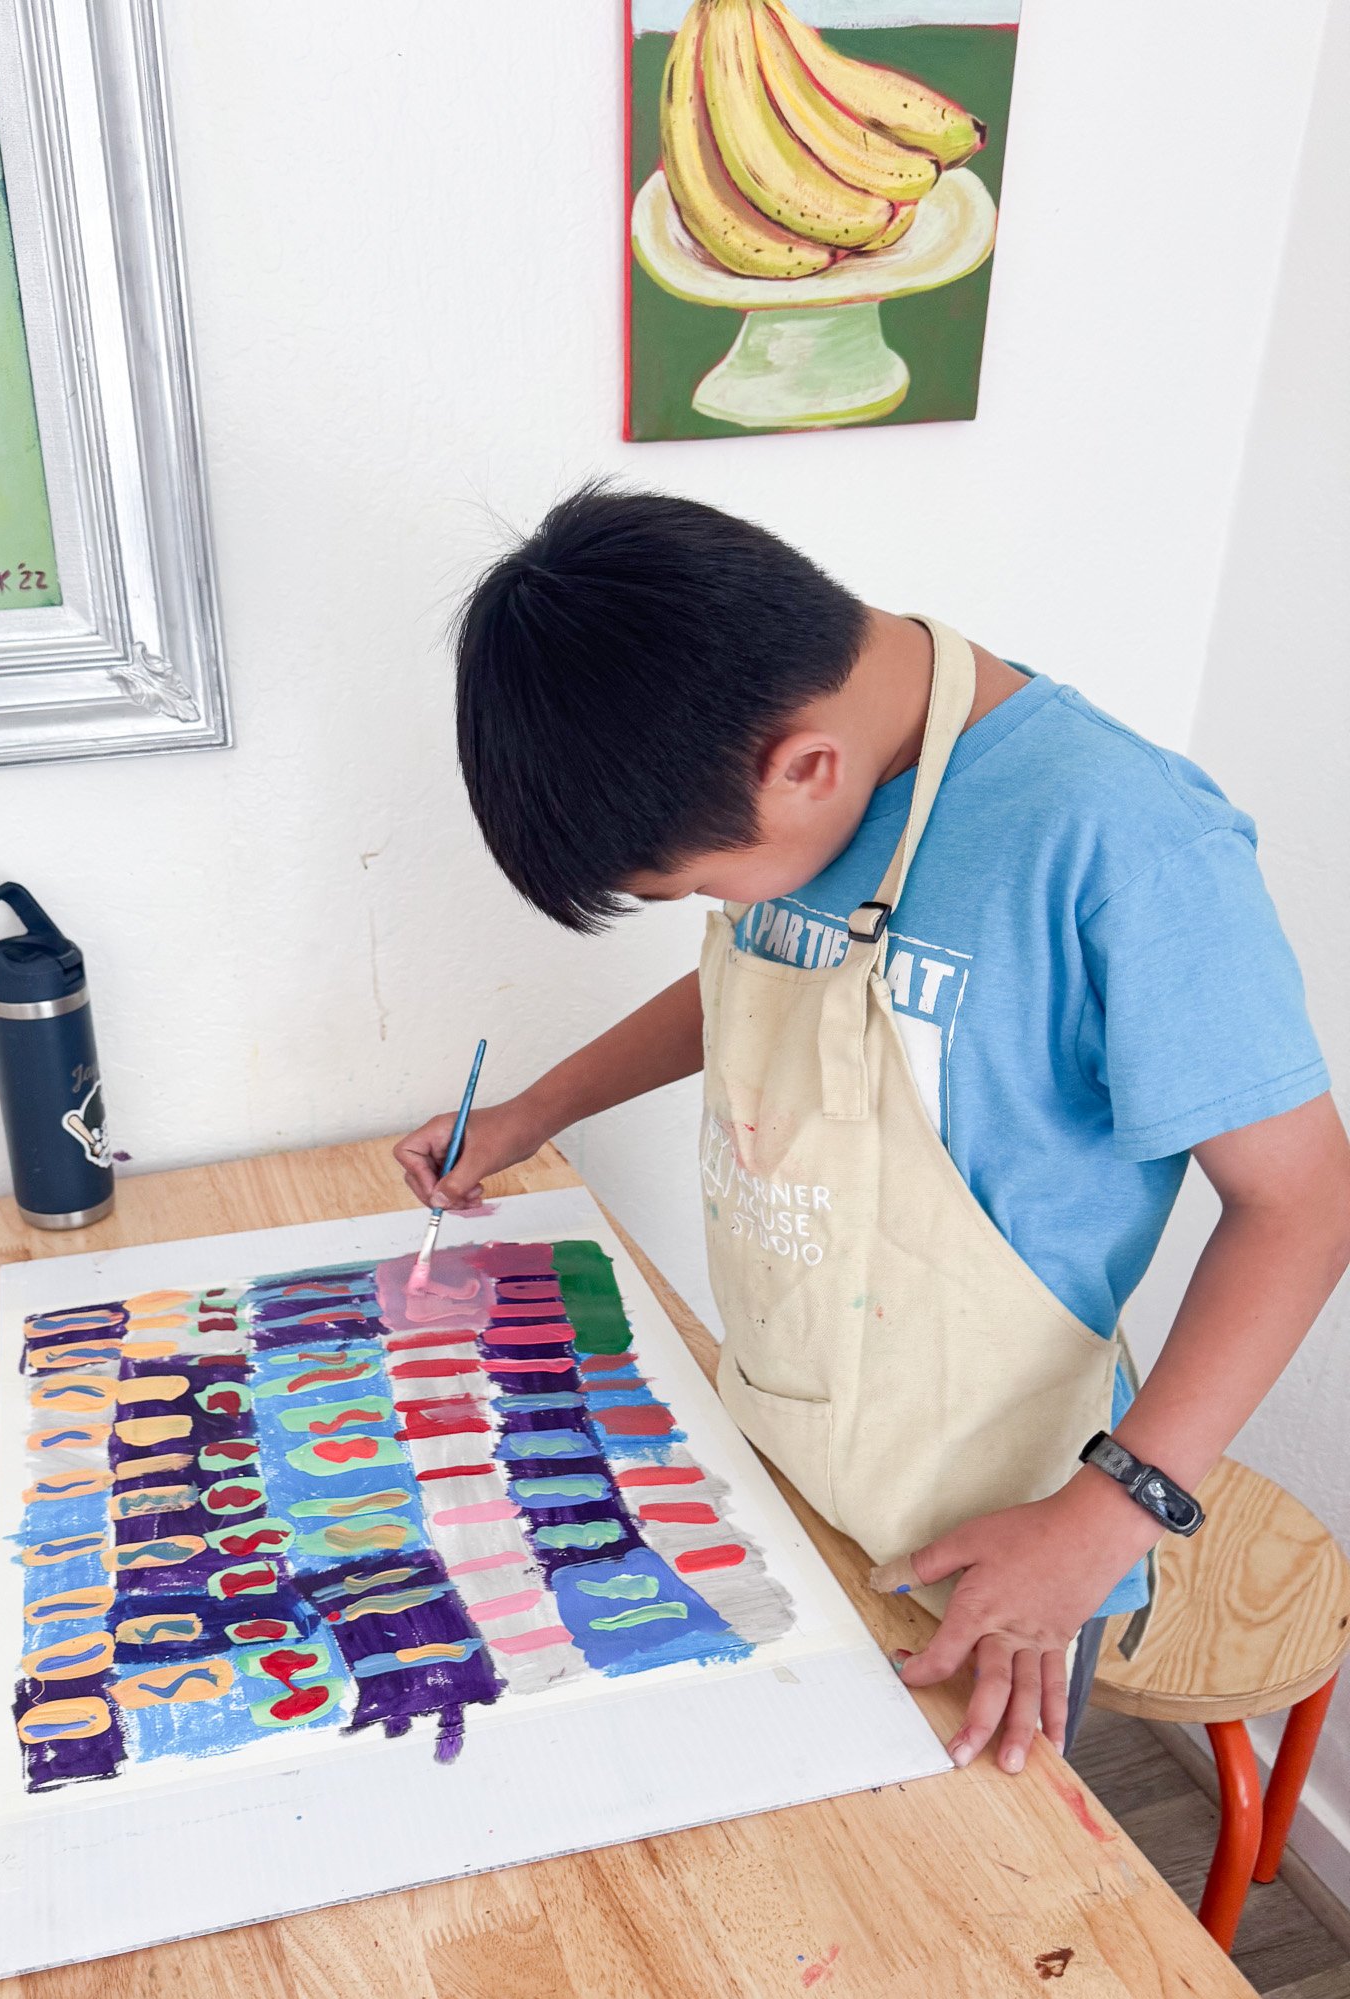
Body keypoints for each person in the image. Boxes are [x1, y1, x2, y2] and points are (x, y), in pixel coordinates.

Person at [395, 485, 1350, 1771]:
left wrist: (1111, 1514)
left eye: (694, 884)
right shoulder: (811, 777)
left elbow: (1304, 1203)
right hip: (782, 1435)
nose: (711, 903)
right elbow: (758, 975)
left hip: (1014, 1526)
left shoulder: (1127, 844)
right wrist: (534, 1111)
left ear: (804, 767)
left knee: (964, 1851)